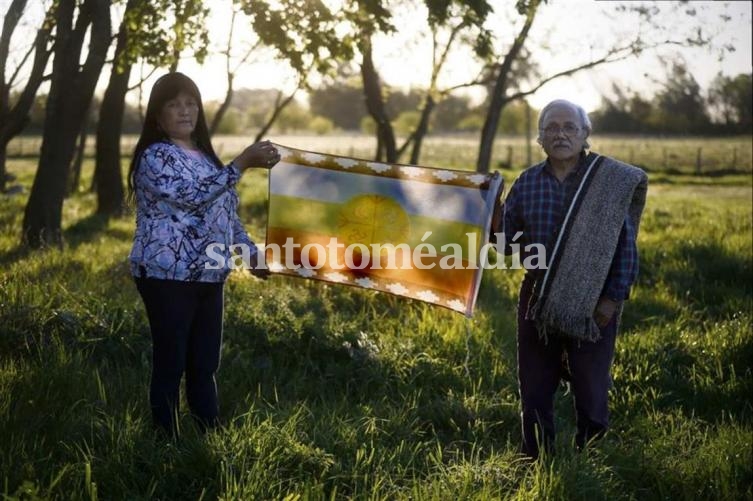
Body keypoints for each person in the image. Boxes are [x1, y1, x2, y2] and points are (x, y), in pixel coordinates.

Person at [491, 99, 648, 459]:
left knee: (591, 385)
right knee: (534, 386)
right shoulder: (528, 182)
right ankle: (536, 458)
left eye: (569, 127)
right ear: (540, 138)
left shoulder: (608, 182)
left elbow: (626, 247)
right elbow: (506, 246)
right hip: (538, 296)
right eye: (551, 128)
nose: (560, 134)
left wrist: (611, 300)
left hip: (593, 299)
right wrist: (492, 207)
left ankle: (591, 458)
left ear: (585, 134)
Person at [127, 72, 280, 435]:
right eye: (174, 104)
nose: (185, 111)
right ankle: (165, 441)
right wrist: (241, 163)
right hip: (166, 275)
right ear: (157, 115)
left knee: (205, 363)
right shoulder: (155, 156)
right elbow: (192, 195)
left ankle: (209, 436)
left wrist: (249, 251)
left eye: (191, 102)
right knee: (171, 362)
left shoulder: (207, 159)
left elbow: (224, 211)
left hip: (210, 273)